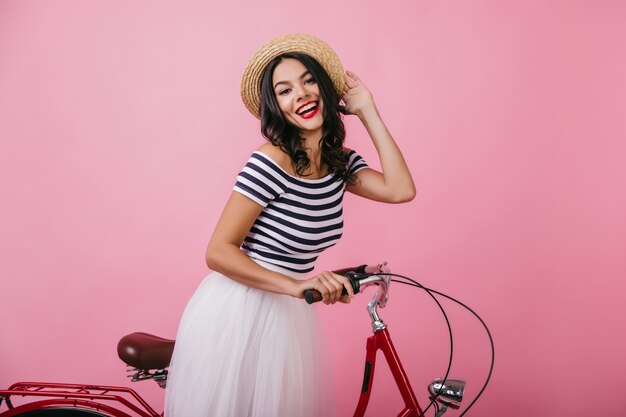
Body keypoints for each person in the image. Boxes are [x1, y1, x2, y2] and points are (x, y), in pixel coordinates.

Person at [164, 34, 415, 417]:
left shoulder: (338, 163)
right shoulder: (271, 162)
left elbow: (400, 190)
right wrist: (296, 286)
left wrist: (368, 111)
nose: (300, 94)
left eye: (309, 80)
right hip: (241, 308)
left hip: (289, 312)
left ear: (327, 90)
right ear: (276, 107)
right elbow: (218, 251)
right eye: (285, 90)